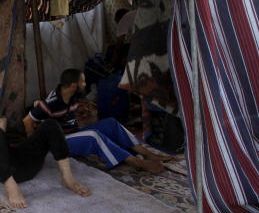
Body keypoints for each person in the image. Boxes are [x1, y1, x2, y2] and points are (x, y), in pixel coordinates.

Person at [24, 69, 171, 173]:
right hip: (57, 143)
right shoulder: (51, 102)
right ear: (74, 84)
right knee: (93, 136)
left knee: (111, 123)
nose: (85, 84)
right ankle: (136, 162)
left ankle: (145, 152)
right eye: (83, 82)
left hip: (71, 134)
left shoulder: (72, 96)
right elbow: (27, 121)